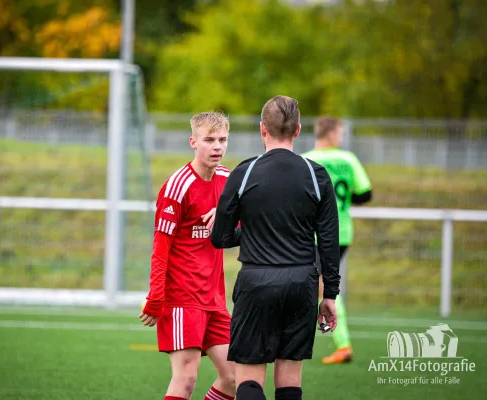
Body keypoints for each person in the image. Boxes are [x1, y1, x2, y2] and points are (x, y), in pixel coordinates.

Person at [211, 96, 341, 400]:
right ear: (297, 131)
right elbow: (329, 241)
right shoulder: (316, 174)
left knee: (249, 377)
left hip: (256, 282)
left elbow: (220, 237)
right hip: (302, 284)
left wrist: (251, 232)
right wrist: (330, 294)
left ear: (262, 130)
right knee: (290, 378)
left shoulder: (243, 174)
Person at [138, 111, 236, 400]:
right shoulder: (177, 187)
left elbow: (246, 222)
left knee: (233, 376)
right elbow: (160, 247)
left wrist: (228, 217)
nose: (217, 146)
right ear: (193, 142)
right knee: (186, 379)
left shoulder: (229, 181)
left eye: (222, 140)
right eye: (209, 140)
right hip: (181, 299)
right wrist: (156, 297)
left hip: (214, 300)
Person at [302, 116, 372, 364]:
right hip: (342, 232)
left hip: (314, 233)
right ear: (331, 134)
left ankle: (342, 344)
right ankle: (334, 340)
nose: (341, 138)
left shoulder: (308, 159)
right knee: (323, 283)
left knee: (323, 285)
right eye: (340, 133)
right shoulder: (348, 159)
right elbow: (365, 194)